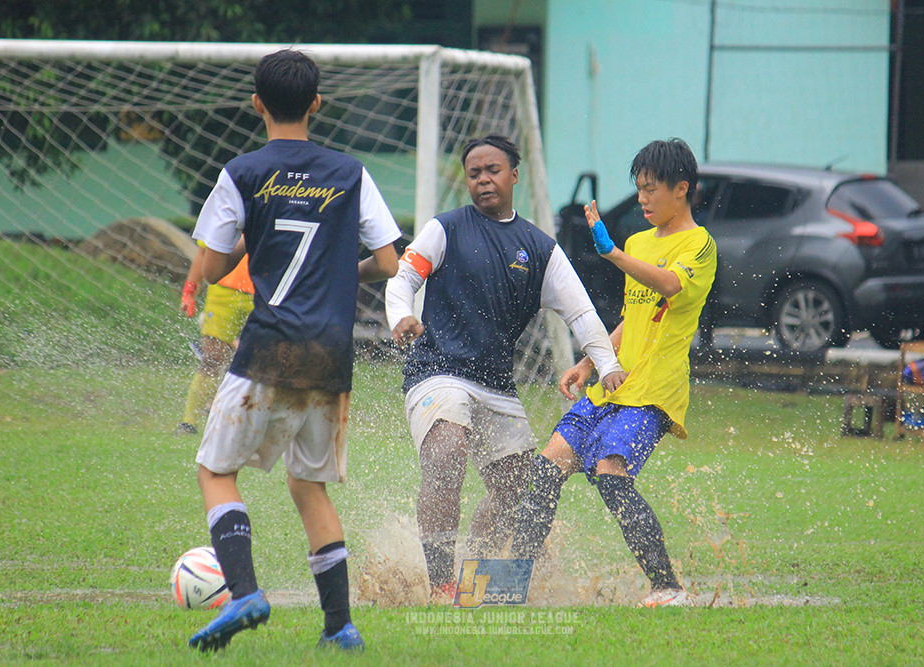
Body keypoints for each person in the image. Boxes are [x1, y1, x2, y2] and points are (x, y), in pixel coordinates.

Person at [187, 49, 400, 652]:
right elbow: (388, 262)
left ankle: (246, 591)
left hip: (268, 348)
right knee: (309, 486)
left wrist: (233, 248)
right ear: (317, 104)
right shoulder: (351, 172)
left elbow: (212, 268)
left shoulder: (242, 172)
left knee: (214, 470)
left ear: (256, 104)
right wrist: (336, 274)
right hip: (330, 357)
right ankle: (341, 628)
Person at [385, 134, 625, 600]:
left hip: (496, 385)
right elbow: (403, 278)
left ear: (514, 175)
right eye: (474, 173)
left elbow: (581, 314)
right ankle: (440, 585)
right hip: (436, 372)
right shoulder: (445, 228)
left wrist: (607, 362)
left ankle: (475, 577)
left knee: (518, 494)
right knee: (448, 450)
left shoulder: (539, 248)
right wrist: (401, 317)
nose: (483, 180)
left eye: (492, 170)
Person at [510, 138, 717, 608]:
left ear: (681, 189)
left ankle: (667, 587)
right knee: (547, 467)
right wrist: (588, 360)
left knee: (609, 471)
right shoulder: (641, 241)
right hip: (613, 382)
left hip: (653, 392)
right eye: (638, 188)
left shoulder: (700, 245)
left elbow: (667, 285)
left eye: (650, 189)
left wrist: (613, 255)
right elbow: (633, 315)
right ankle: (512, 583)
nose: (641, 198)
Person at [176, 244, 254, 435]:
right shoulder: (223, 212)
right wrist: (189, 291)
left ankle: (251, 423)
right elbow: (205, 249)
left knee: (265, 361)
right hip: (223, 291)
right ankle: (189, 423)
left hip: (268, 292)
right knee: (212, 358)